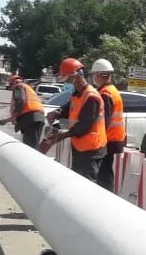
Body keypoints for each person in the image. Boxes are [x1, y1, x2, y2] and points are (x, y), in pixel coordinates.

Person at [45, 58, 107, 182]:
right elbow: (69, 107)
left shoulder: (91, 97)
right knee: (78, 182)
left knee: (87, 186)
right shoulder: (78, 94)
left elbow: (84, 125)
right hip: (81, 148)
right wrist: (58, 112)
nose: (67, 83)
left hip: (92, 150)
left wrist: (62, 135)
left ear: (78, 75)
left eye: (68, 79)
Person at [90, 58, 126, 190]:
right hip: (112, 138)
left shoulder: (106, 93)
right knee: (105, 171)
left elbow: (104, 120)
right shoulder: (111, 90)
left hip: (107, 139)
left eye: (94, 74)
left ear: (100, 75)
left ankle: (107, 198)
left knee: (104, 173)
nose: (93, 77)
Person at [0, 74, 46, 149]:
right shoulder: (26, 87)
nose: (11, 88)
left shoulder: (18, 87)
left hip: (30, 120)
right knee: (32, 146)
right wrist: (7, 120)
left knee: (30, 148)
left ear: (13, 83)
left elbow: (21, 101)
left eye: (11, 86)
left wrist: (14, 115)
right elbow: (24, 109)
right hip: (36, 118)